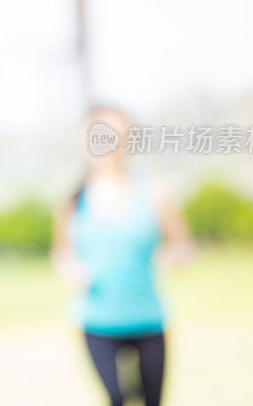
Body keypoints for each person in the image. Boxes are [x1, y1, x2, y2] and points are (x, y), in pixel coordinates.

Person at [52, 105, 195, 406]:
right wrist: (70, 271)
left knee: (152, 401)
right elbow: (62, 252)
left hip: (147, 318)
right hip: (97, 321)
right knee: (116, 398)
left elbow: (182, 244)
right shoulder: (74, 197)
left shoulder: (153, 189)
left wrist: (174, 257)